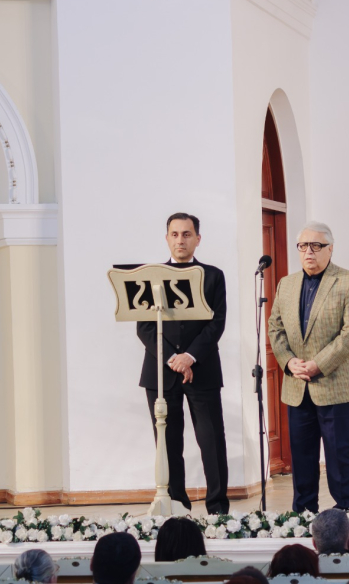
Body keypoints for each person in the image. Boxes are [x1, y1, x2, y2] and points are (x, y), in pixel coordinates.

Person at [268, 221, 349, 512]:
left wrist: (318, 364)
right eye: (303, 246)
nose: (309, 252)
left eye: (316, 246)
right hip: (297, 384)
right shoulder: (286, 285)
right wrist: (289, 362)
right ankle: (302, 514)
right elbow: (275, 328)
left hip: (335, 382)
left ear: (330, 249)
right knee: (301, 456)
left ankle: (346, 511)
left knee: (339, 454)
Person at [137, 212, 229, 514]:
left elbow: (216, 323)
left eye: (187, 234)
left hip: (201, 370)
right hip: (160, 374)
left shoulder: (213, 275)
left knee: (211, 441)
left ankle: (217, 509)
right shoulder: (150, 275)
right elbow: (145, 327)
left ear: (197, 239)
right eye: (174, 234)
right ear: (167, 238)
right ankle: (177, 507)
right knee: (168, 444)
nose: (180, 240)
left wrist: (189, 356)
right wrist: (173, 360)